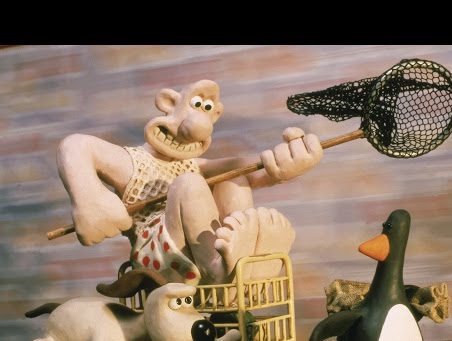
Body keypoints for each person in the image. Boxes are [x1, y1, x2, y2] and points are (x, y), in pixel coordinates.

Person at [57, 79, 323, 285]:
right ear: (168, 103)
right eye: (196, 105)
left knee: (232, 177)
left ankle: (246, 258)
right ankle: (220, 268)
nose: (201, 123)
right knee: (189, 184)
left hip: (200, 253)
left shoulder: (195, 165)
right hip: (159, 260)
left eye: (208, 110)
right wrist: (90, 199)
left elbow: (248, 167)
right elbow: (76, 145)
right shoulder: (132, 162)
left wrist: (283, 165)